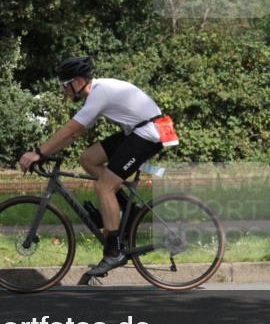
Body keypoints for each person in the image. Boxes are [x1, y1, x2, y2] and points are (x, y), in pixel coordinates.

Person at [18, 56, 171, 276]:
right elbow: (76, 132)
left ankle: (115, 250)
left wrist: (39, 153)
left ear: (78, 82)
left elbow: (71, 129)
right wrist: (45, 152)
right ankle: (128, 212)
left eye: (65, 85)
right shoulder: (97, 92)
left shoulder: (99, 94)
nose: (64, 91)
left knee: (104, 187)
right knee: (88, 159)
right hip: (139, 130)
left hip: (149, 133)